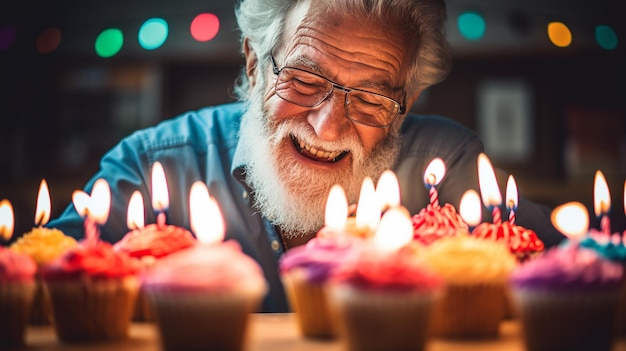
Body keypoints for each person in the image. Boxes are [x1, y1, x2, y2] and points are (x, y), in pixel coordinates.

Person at [47, 0, 564, 312]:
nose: (329, 124)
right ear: (253, 63)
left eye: (372, 98)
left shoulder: (444, 166)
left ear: (406, 107)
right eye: (303, 78)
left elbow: (571, 273)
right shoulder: (151, 166)